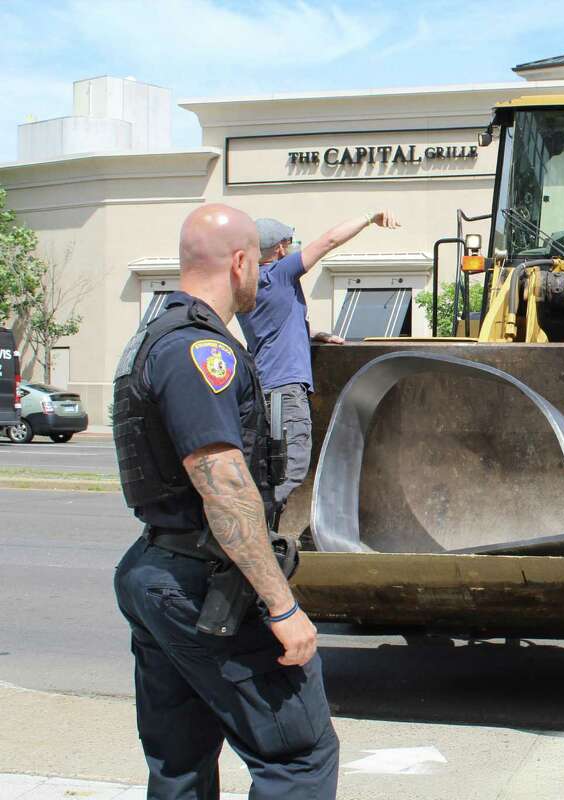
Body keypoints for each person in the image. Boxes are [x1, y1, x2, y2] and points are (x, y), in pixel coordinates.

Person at [112, 203, 338, 799]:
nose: (263, 279)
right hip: (205, 584)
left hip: (158, 571)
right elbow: (222, 482)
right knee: (297, 756)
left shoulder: (152, 337)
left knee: (179, 763)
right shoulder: (199, 352)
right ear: (241, 263)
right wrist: (282, 606)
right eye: (260, 267)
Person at [238, 211, 399, 505]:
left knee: (268, 467)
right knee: (292, 467)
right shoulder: (280, 274)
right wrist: (367, 218)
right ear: (280, 250)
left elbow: (269, 331)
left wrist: (307, 336)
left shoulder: (247, 284)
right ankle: (257, 525)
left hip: (262, 389)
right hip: (285, 391)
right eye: (289, 242)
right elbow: (328, 241)